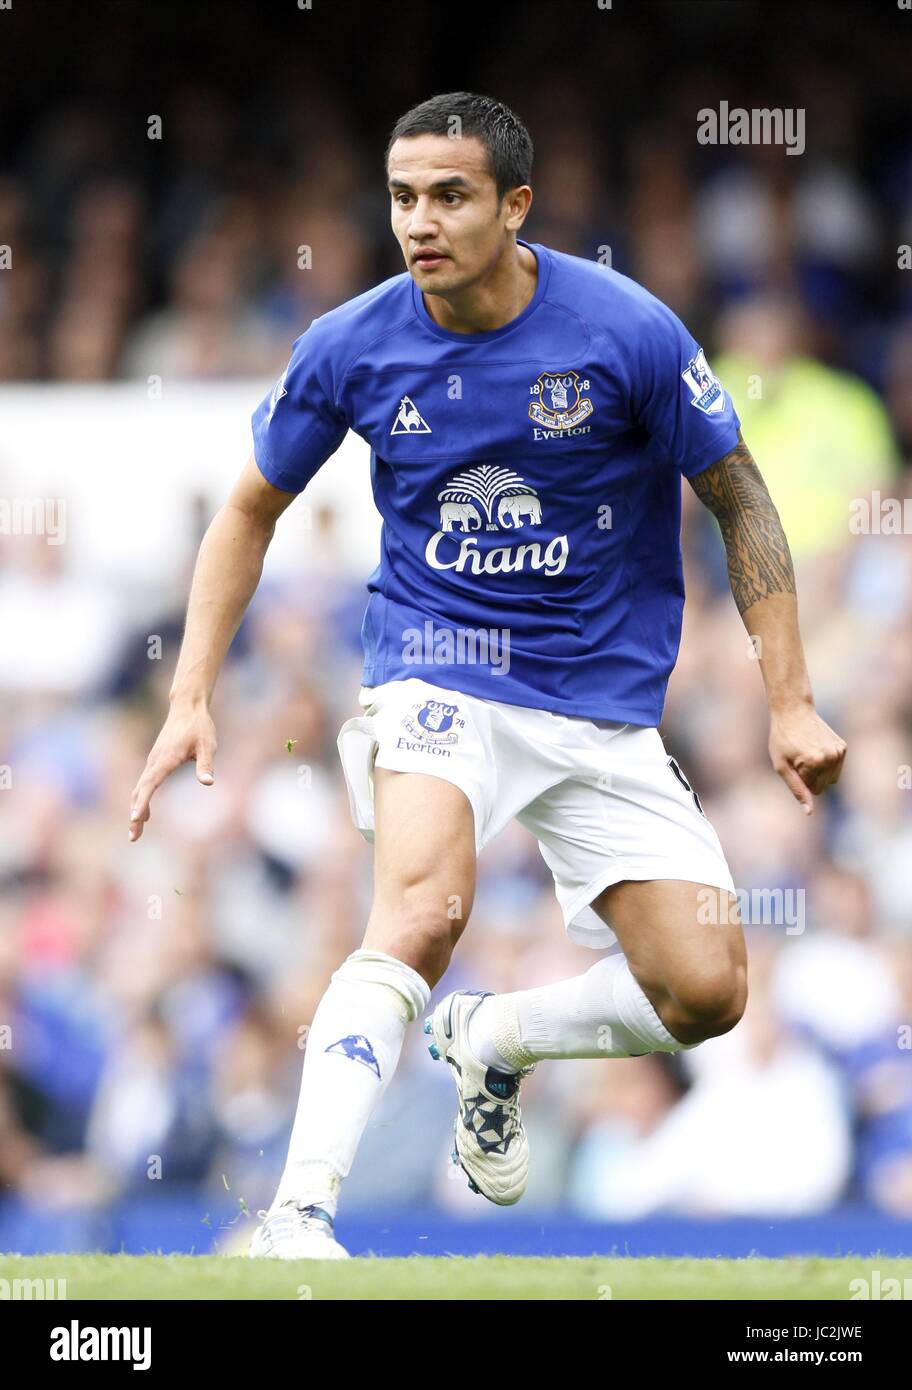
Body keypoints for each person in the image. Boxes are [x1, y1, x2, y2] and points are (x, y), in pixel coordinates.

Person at [129, 92, 847, 1259]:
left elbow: (741, 496)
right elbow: (250, 509)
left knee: (708, 990)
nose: (421, 219)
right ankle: (296, 1218)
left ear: (516, 206)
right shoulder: (352, 344)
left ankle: (497, 1036)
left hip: (597, 704)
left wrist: (789, 696)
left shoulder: (627, 331)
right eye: (404, 195)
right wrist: (192, 689)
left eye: (451, 195)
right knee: (420, 912)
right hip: (435, 668)